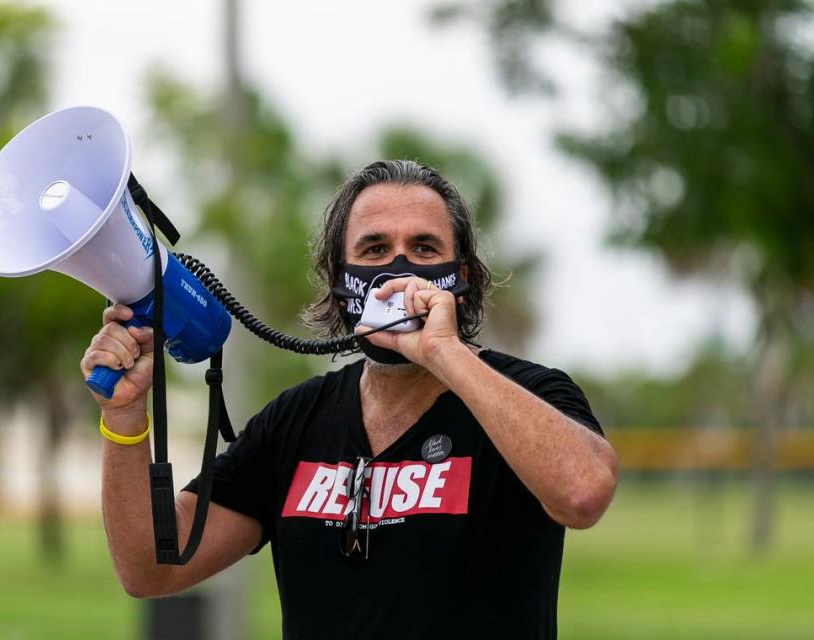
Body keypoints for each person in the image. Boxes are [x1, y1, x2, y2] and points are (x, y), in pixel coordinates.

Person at [80, 160, 618, 639]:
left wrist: (446, 354)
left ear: (463, 279)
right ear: (339, 280)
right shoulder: (296, 421)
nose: (399, 267)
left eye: (425, 248)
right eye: (375, 248)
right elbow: (152, 567)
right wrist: (125, 417)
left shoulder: (528, 393)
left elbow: (583, 493)